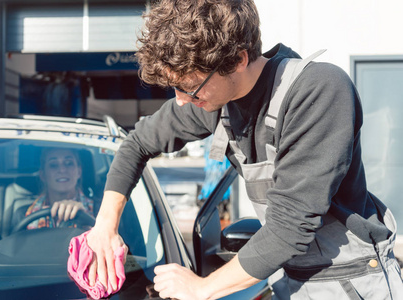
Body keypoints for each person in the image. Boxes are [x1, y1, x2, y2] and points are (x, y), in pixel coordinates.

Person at [86, 0, 403, 299]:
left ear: (238, 59)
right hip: (285, 279)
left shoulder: (318, 90)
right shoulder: (213, 99)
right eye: (175, 87)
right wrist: (104, 227)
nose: (181, 100)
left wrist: (202, 288)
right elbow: (137, 143)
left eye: (190, 87)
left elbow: (288, 228)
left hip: (352, 281)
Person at [25, 148, 93, 229]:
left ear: (79, 171)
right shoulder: (25, 215)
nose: (62, 170)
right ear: (43, 175)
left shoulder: (101, 210)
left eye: (69, 163)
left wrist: (86, 222)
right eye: (53, 165)